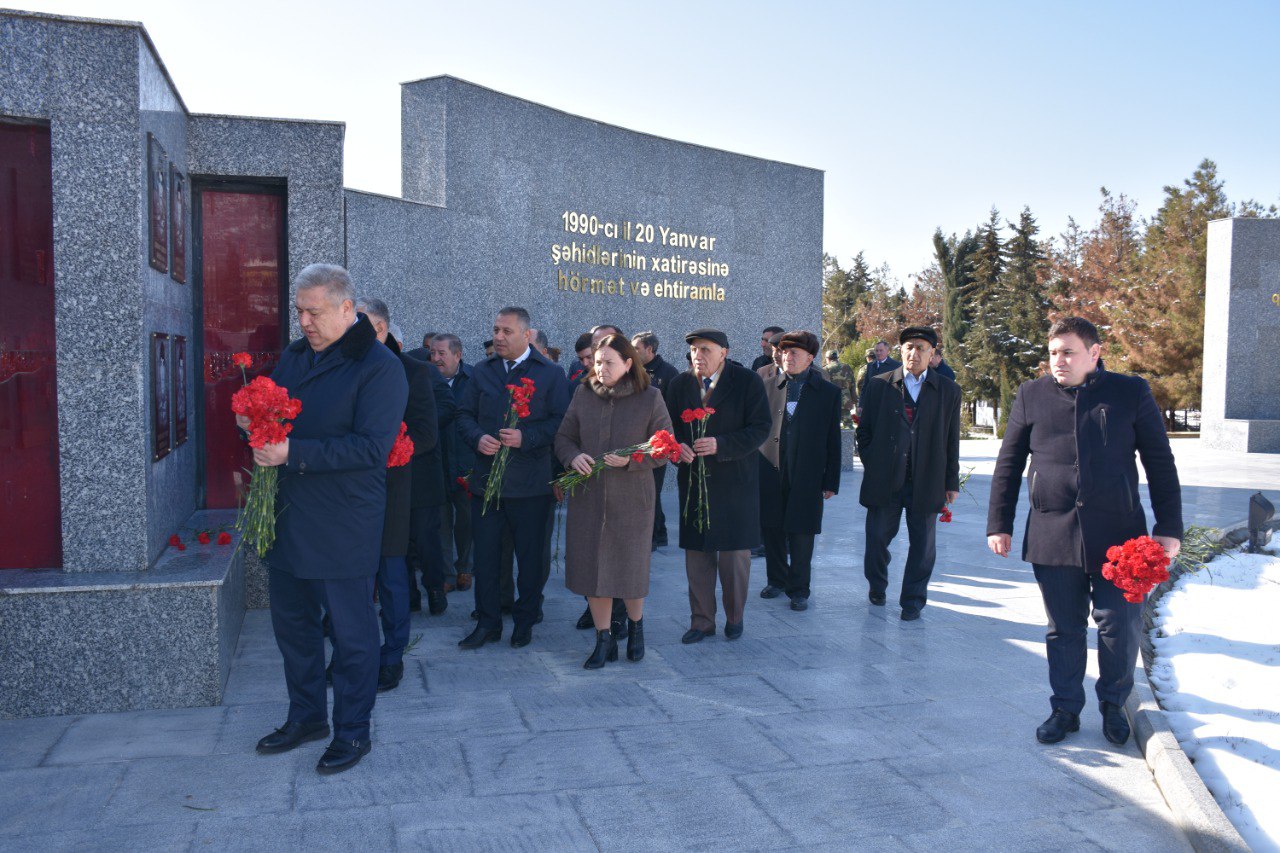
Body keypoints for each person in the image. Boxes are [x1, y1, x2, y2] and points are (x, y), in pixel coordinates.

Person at [986, 317, 1183, 746]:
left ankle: (1114, 704)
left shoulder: (1130, 392)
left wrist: (1168, 527)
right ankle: (1064, 709)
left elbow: (1160, 462)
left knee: (1119, 623)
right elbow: (1009, 462)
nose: (1058, 360)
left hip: (1121, 537)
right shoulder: (1031, 394)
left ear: (1094, 353)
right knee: (1064, 628)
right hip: (1052, 532)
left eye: (1068, 351)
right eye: (1053, 352)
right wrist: (998, 523)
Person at [245, 264, 406, 774]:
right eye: (299, 311)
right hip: (289, 517)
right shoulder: (294, 357)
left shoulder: (379, 366)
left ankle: (353, 732)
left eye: (313, 311)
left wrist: (291, 451)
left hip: (343, 522)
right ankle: (307, 717)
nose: (304, 321)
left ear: (346, 308)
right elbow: (274, 409)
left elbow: (371, 448)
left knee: (353, 635)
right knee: (293, 628)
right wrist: (252, 420)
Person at [555, 334, 673, 668]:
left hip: (632, 500)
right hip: (588, 498)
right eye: (596, 361)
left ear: (628, 363)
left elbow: (665, 446)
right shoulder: (583, 393)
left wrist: (634, 459)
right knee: (593, 572)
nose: (600, 368)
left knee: (629, 571)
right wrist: (573, 456)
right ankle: (602, 639)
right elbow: (564, 437)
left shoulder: (651, 398)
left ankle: (636, 627)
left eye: (608, 362)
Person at [456, 306, 571, 649]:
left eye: (506, 331)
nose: (499, 337)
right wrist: (478, 437)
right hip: (486, 484)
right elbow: (463, 414)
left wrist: (527, 437)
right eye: (496, 330)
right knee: (488, 558)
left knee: (530, 559)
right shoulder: (482, 371)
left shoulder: (550, 374)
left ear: (526, 335)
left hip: (530, 486)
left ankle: (524, 621)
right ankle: (488, 622)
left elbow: (561, 424)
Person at [665, 328, 771, 643]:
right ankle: (701, 621)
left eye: (705, 349)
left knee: (734, 557)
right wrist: (675, 449)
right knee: (697, 556)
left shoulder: (747, 382)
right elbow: (668, 428)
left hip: (735, 483)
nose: (698, 355)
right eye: (694, 350)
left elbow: (761, 428)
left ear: (723, 352)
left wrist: (721, 444)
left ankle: (734, 617)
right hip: (694, 484)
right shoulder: (679, 384)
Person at [353, 298, 437, 691]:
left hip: (390, 490)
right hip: (346, 493)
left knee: (391, 578)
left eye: (362, 324)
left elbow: (426, 433)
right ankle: (350, 656)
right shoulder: (342, 365)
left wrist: (394, 447)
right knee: (349, 581)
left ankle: (392, 656)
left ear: (382, 328)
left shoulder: (414, 371)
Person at [856, 326, 960, 621]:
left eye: (921, 348)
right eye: (909, 347)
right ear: (900, 351)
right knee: (876, 538)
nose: (914, 353)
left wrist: (950, 481)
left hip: (926, 479)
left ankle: (912, 600)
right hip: (885, 479)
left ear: (932, 354)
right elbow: (864, 432)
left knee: (923, 546)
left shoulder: (948, 390)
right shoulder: (879, 385)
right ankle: (877, 584)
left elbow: (952, 440)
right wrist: (874, 462)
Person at [757, 331, 842, 610]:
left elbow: (833, 438)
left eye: (794, 353)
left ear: (810, 358)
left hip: (808, 473)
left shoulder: (827, 392)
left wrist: (831, 480)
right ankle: (776, 579)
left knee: (802, 531)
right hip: (770, 469)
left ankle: (799, 588)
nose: (787, 357)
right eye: (784, 352)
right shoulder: (766, 385)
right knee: (772, 527)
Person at [430, 333, 474, 594]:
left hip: (467, 464)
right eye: (432, 353)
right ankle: (446, 573)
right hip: (437, 463)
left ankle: (465, 568)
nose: (435, 359)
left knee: (467, 521)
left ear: (457, 355)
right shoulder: (427, 379)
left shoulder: (473, 380)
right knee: (441, 522)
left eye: (441, 354)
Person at [632, 331, 680, 551]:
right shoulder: (632, 370)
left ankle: (650, 539)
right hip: (635, 442)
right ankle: (659, 533)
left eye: (637, 348)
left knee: (651, 491)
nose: (633, 352)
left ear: (650, 349)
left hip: (658, 444)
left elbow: (673, 411)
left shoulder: (669, 373)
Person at [856, 340, 899, 418]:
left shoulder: (896, 366)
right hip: (872, 405)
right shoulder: (870, 366)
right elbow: (865, 387)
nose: (878, 353)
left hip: (889, 406)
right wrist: (861, 404)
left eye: (881, 350)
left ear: (887, 351)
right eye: (876, 351)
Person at [824, 350, 857, 421]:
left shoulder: (826, 369)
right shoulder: (847, 367)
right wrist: (854, 400)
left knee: (832, 425)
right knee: (848, 426)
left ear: (828, 358)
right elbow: (853, 385)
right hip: (846, 401)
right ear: (837, 357)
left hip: (832, 401)